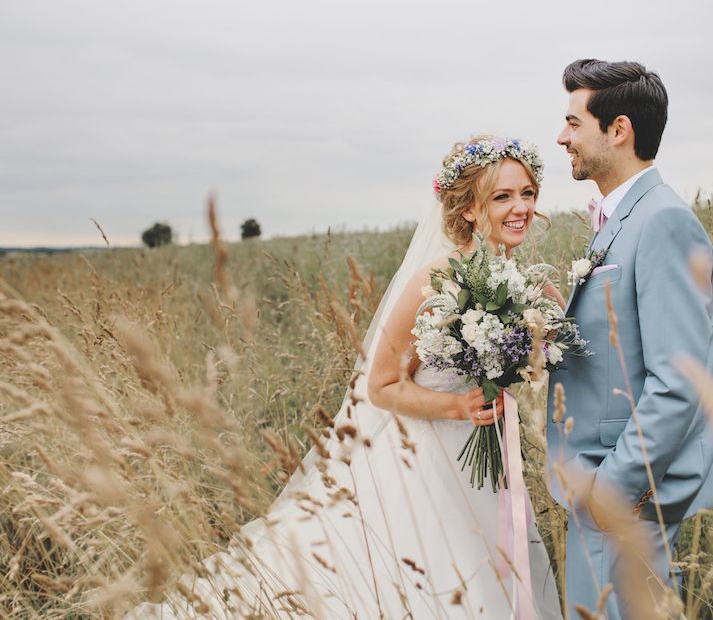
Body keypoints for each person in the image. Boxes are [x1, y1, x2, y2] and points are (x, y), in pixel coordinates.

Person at [127, 136, 563, 619]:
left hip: (488, 457)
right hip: (423, 459)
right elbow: (381, 386)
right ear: (468, 210)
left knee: (494, 571)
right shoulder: (434, 281)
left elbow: (557, 347)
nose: (520, 206)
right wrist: (458, 406)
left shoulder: (526, 280)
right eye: (502, 196)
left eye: (527, 193)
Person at [547, 58, 713, 618]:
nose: (561, 136)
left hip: (622, 497)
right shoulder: (620, 216)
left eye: (574, 123)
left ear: (619, 130)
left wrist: (611, 489)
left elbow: (682, 377)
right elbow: (626, 343)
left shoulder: (662, 219)